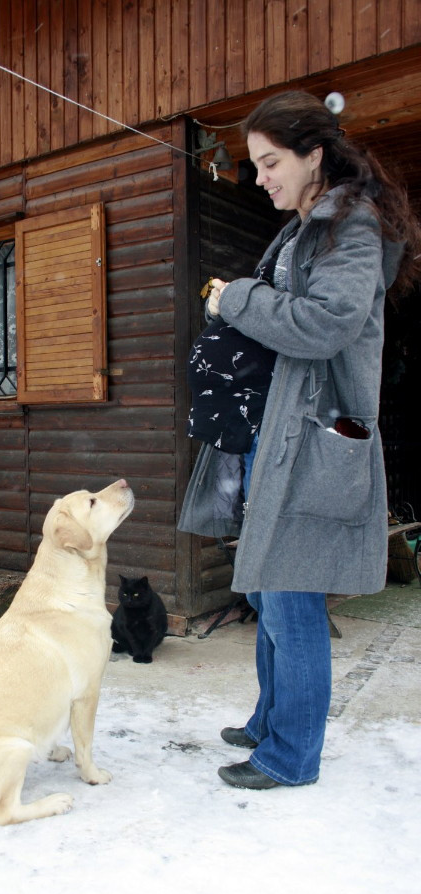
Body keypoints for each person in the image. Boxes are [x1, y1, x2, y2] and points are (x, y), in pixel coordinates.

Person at [181, 90, 421, 790]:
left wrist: (237, 299)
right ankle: (269, 720)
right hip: (281, 432)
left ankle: (290, 757)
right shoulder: (309, 225)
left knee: (289, 593)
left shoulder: (350, 226)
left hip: (314, 439)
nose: (260, 178)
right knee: (264, 580)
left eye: (269, 162)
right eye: (254, 165)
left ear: (313, 154)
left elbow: (325, 325)